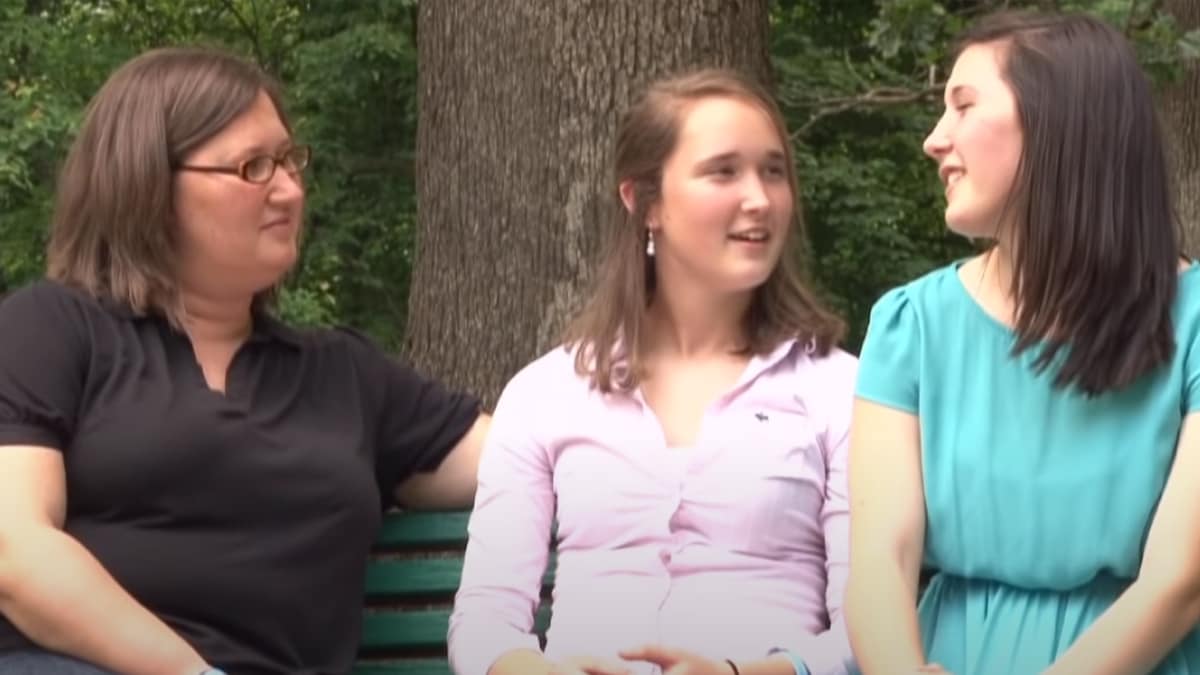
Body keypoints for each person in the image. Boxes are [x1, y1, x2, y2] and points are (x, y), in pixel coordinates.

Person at [0, 47, 490, 675]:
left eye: (290, 160)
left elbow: (529, 455)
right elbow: (16, 547)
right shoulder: (51, 329)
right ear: (148, 184)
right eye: (253, 166)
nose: (289, 190)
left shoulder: (343, 375)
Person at [447, 68, 857, 675]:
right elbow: (485, 619)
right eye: (724, 171)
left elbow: (867, 629)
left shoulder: (837, 388)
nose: (760, 198)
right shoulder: (546, 392)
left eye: (774, 171)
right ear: (644, 203)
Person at [846, 10, 1200, 675]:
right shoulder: (909, 323)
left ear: (1059, 123)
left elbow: (1180, 582)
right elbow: (880, 560)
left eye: (963, 106)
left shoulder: (1197, 320)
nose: (933, 139)